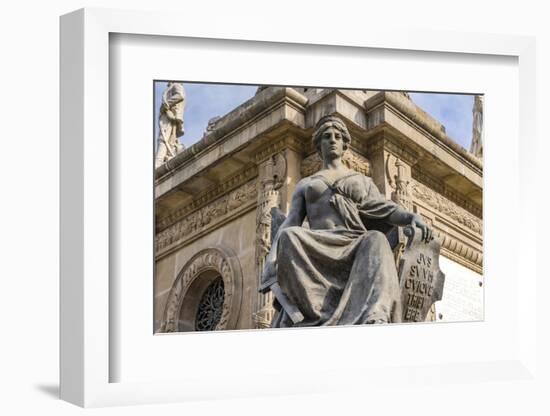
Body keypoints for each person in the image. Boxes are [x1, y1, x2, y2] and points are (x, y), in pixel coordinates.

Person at [259, 115, 432, 327]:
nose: (332, 139)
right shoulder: (306, 184)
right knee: (289, 235)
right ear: (319, 145)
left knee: (376, 239)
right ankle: (312, 313)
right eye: (327, 137)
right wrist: (272, 256)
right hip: (318, 244)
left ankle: (375, 313)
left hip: (353, 242)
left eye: (337, 137)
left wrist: (411, 217)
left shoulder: (361, 181)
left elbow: (385, 209)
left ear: (344, 145)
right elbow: (291, 221)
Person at [155, 82, 186, 168]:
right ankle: (164, 157)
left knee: (163, 138)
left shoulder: (176, 85)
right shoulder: (173, 86)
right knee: (168, 139)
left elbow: (180, 95)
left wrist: (166, 105)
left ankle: (158, 162)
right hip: (169, 114)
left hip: (169, 114)